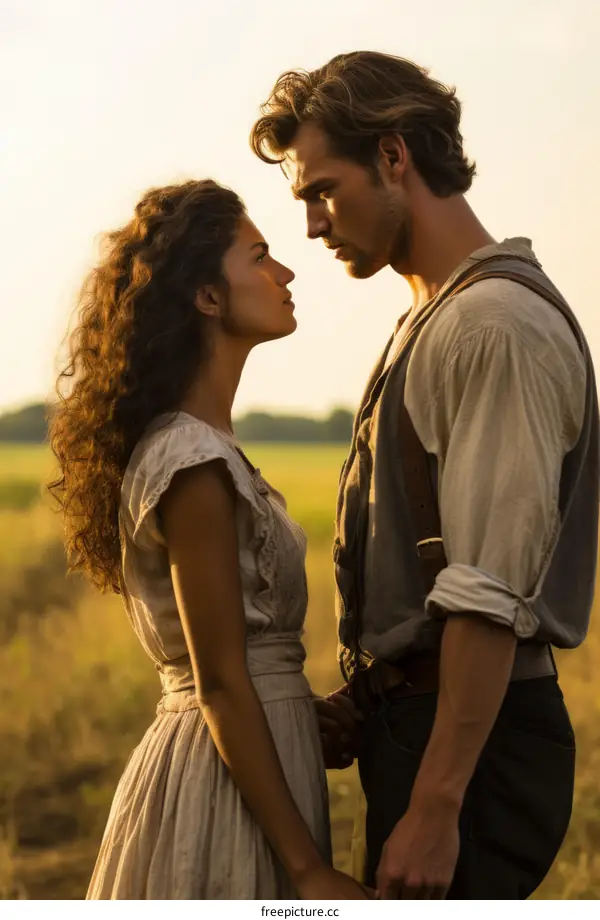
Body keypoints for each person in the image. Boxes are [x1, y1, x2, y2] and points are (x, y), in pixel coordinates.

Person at [250, 51, 599, 899]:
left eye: (320, 190)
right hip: (428, 728)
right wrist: (368, 701)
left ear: (395, 156)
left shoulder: (492, 325)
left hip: (472, 751)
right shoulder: (435, 315)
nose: (313, 226)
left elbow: (487, 588)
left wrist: (439, 801)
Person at [48, 179, 369, 900]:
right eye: (260, 256)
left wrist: (297, 710)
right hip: (219, 794)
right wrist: (309, 869)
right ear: (208, 297)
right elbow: (219, 683)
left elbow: (239, 667)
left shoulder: (204, 446)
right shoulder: (192, 460)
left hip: (251, 767)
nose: (285, 273)